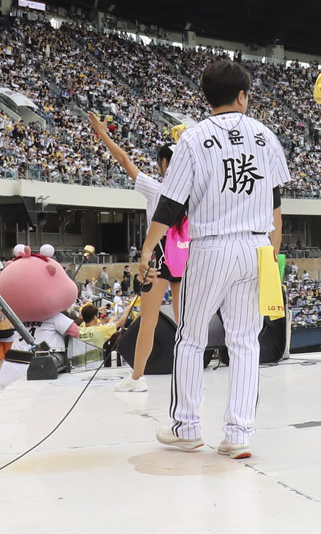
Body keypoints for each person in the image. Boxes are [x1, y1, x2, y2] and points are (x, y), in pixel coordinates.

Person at [138, 59, 290, 460]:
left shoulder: (192, 138)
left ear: (207, 97)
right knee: (244, 341)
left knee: (191, 336)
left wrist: (148, 247)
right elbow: (276, 203)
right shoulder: (265, 136)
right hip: (258, 246)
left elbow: (171, 204)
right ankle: (238, 435)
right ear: (242, 95)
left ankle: (186, 427)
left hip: (211, 246)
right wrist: (273, 252)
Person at [89, 114, 178, 392]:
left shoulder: (158, 188)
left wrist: (103, 135)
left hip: (162, 254)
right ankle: (189, 377)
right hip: (190, 253)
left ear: (163, 164)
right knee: (187, 323)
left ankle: (138, 378)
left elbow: (125, 161)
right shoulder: (193, 192)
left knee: (149, 320)